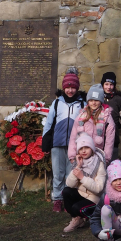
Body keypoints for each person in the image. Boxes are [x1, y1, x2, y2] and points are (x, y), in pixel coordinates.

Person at [42, 66, 87, 212]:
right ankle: (57, 199)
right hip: (58, 143)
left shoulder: (82, 104)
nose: (70, 90)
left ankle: (68, 198)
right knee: (58, 173)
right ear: (63, 88)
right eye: (67, 87)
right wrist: (46, 143)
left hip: (75, 145)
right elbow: (49, 124)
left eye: (73, 87)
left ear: (77, 88)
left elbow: (86, 124)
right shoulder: (57, 103)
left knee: (71, 173)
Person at [62, 132, 107, 233]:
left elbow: (99, 188)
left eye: (86, 147)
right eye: (81, 148)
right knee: (66, 191)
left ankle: (96, 218)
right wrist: (78, 166)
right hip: (82, 194)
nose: (83, 151)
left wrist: (82, 178)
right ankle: (77, 220)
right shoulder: (79, 162)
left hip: (95, 198)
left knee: (76, 208)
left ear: (92, 148)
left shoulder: (99, 163)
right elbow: (70, 184)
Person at [69, 84, 115, 165]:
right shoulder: (81, 116)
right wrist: (72, 156)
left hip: (98, 157)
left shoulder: (106, 117)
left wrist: (106, 159)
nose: (93, 103)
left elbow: (109, 140)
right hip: (82, 156)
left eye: (96, 100)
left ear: (101, 101)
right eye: (91, 100)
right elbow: (73, 137)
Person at [101, 71, 121, 161]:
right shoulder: (99, 98)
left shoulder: (118, 99)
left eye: (111, 84)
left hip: (113, 139)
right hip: (99, 138)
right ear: (102, 85)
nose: (109, 87)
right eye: (106, 84)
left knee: (111, 164)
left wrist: (114, 126)